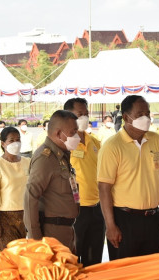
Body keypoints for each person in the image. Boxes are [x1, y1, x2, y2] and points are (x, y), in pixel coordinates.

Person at [97, 95, 159, 260]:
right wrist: (110, 225)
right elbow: (104, 188)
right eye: (139, 115)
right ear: (125, 117)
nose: (146, 118)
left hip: (153, 218)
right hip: (124, 220)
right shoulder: (112, 146)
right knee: (126, 272)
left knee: (153, 270)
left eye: (148, 113)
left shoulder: (155, 139)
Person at [24, 110, 80, 252]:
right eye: (73, 132)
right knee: (55, 274)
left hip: (66, 230)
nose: (77, 136)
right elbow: (30, 197)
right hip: (51, 233)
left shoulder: (61, 155)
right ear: (58, 133)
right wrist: (36, 240)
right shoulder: (45, 158)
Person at [64, 98, 105, 266]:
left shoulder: (94, 141)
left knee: (94, 259)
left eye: (86, 114)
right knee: (73, 259)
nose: (84, 118)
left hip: (97, 208)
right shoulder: (63, 144)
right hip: (74, 210)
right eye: (80, 114)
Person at [0, 127, 30, 251]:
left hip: (25, 215)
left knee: (23, 255)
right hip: (4, 217)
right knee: (7, 256)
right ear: (3, 143)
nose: (15, 143)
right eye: (11, 140)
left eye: (18, 140)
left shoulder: (28, 162)